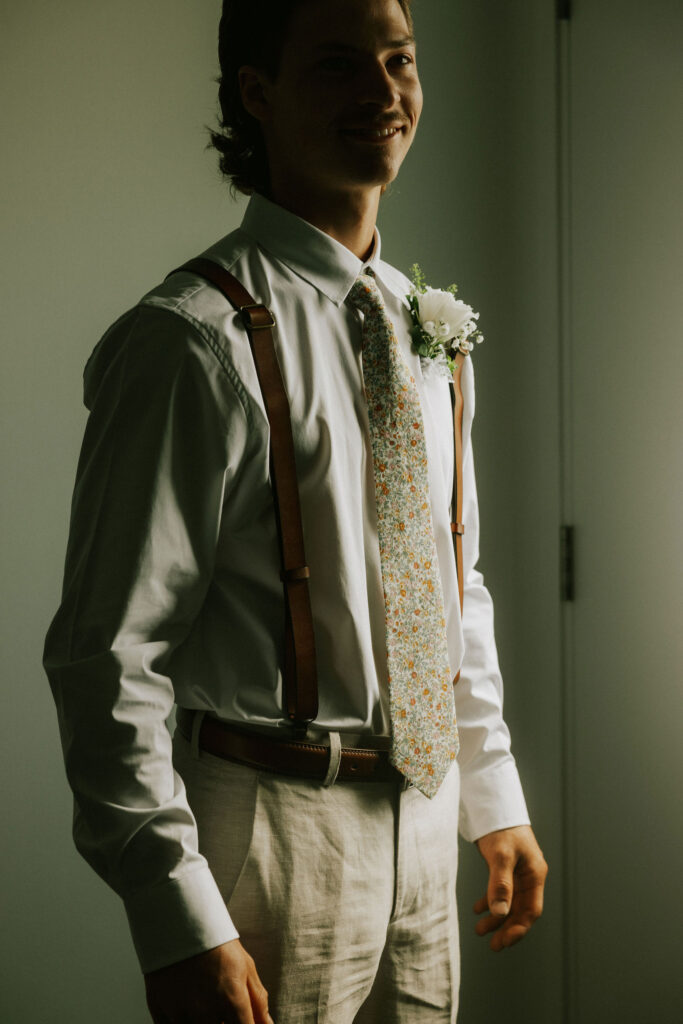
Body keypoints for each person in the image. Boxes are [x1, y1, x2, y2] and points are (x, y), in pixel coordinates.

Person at [43, 0, 548, 1021]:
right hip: (275, 831)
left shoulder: (428, 331)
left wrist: (491, 794)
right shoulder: (189, 342)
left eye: (398, 59)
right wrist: (177, 909)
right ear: (257, 94)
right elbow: (108, 656)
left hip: (424, 817)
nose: (382, 90)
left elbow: (454, 577)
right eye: (336, 66)